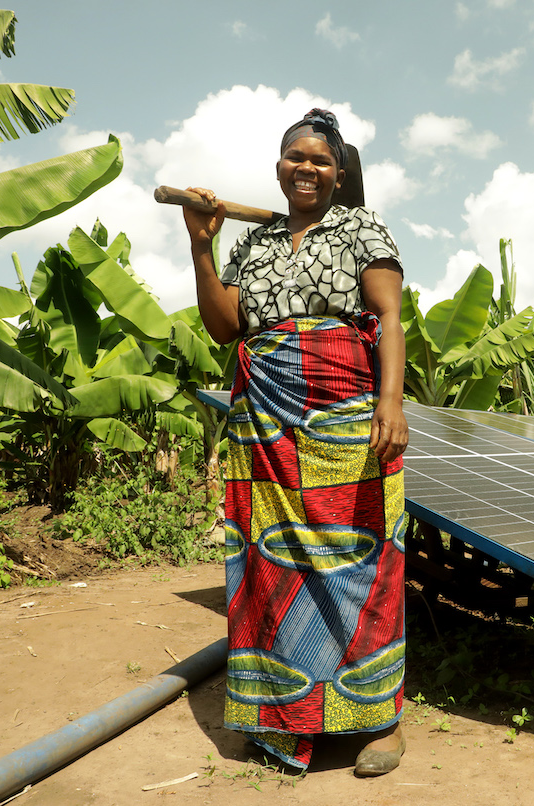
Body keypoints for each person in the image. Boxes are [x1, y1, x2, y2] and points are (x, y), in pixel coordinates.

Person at [182, 108, 408, 776]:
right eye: (294, 157)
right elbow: (226, 327)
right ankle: (287, 722)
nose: (305, 168)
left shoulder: (359, 226)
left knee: (358, 565)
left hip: (341, 414)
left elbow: (390, 315)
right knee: (273, 569)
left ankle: (381, 721)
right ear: (278, 167)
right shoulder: (254, 242)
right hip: (264, 421)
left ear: (339, 173)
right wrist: (201, 244)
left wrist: (389, 403)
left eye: (319, 159)